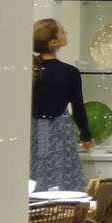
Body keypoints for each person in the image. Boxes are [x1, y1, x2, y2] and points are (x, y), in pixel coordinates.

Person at [30, 18, 92, 191]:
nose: (66, 33)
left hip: (33, 131)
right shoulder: (69, 72)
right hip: (59, 131)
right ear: (54, 42)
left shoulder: (30, 70)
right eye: (62, 31)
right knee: (62, 178)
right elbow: (78, 108)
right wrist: (86, 135)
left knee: (35, 174)